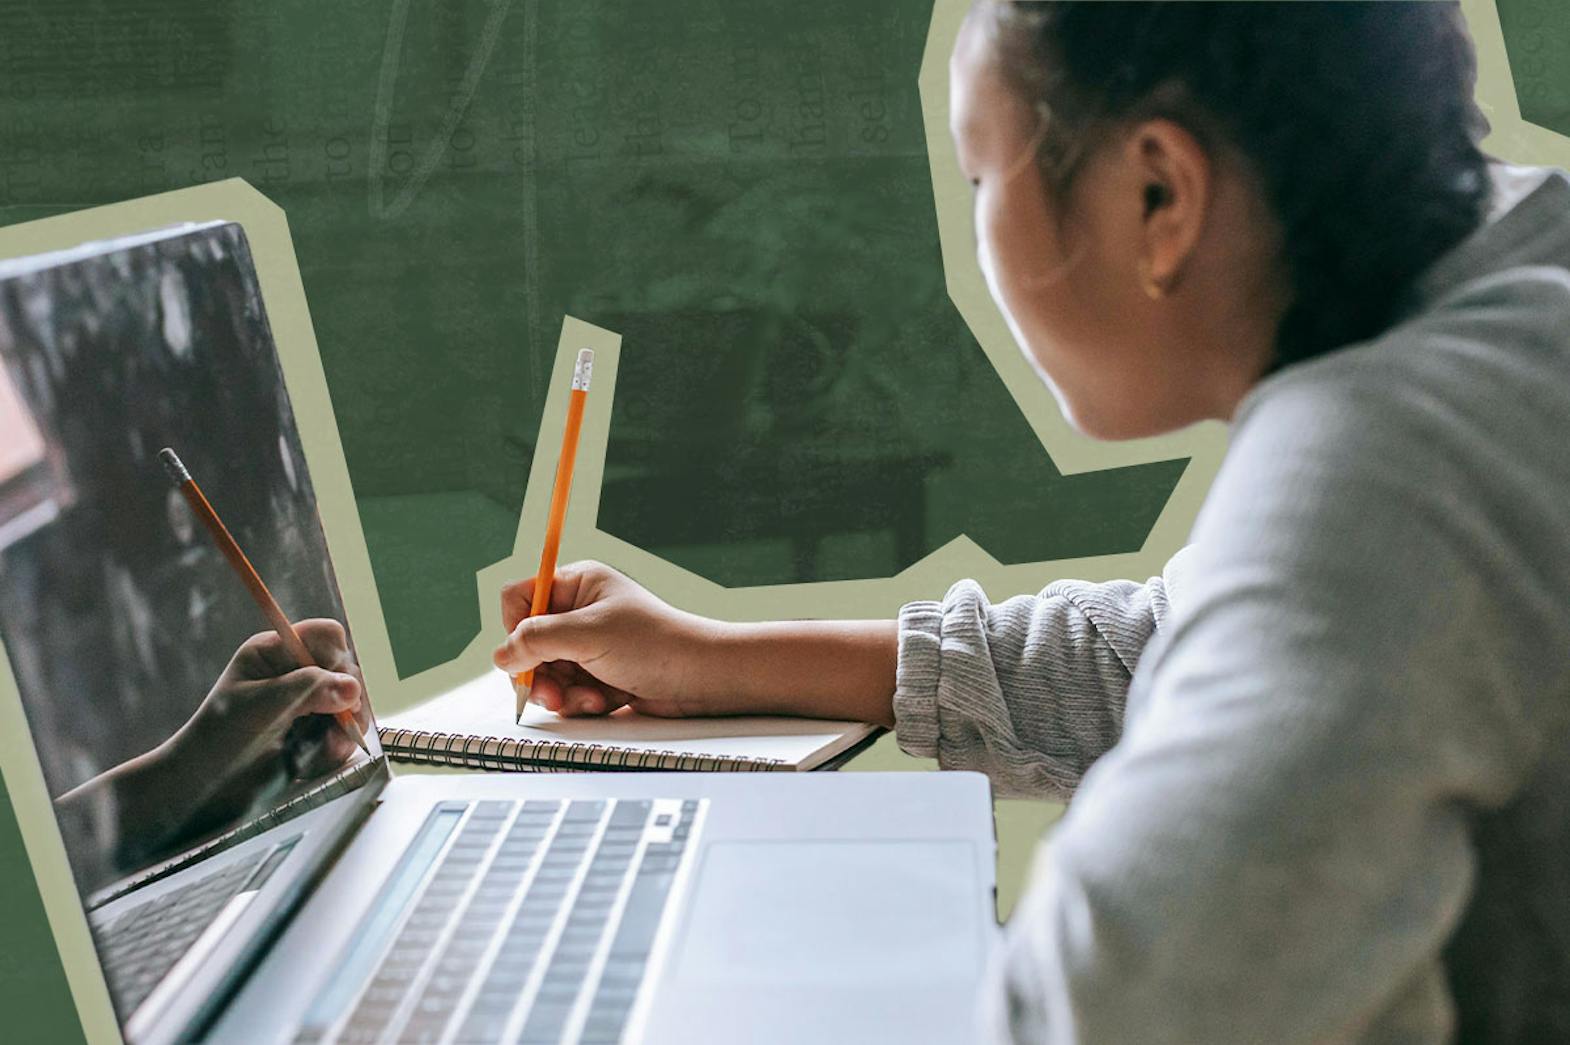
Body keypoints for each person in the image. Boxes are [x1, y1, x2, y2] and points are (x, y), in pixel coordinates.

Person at [492, 3, 1570, 1041]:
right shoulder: (1503, 302)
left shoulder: (1386, 463)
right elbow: (1179, 651)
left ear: (1158, 194)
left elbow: (1124, 1012)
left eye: (979, 176)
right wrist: (716, 661)